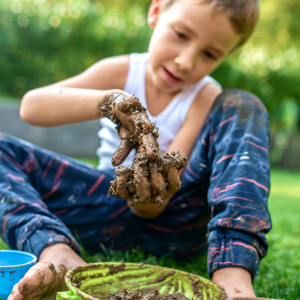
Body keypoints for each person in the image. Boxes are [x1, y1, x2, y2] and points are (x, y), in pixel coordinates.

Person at [0, 0, 272, 299]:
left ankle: (233, 278)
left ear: (227, 54)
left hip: (177, 221)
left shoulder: (205, 95)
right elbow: (32, 107)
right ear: (156, 11)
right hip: (99, 209)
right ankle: (56, 250)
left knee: (243, 105)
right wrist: (109, 101)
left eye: (209, 54)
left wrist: (145, 179)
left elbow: (153, 207)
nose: (185, 61)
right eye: (181, 34)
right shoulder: (123, 71)